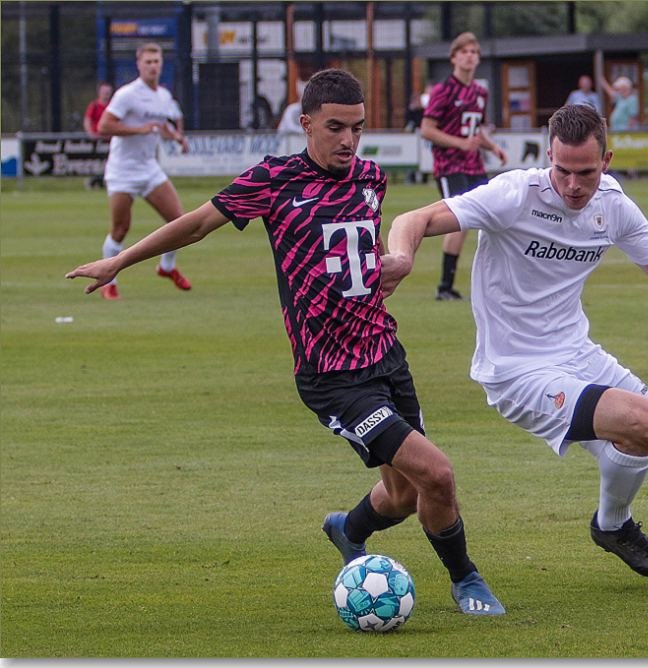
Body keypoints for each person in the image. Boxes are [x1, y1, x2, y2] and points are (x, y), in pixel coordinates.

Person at [66, 68, 506, 617]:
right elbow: (198, 223)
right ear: (306, 125)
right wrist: (120, 260)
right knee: (437, 473)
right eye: (335, 127)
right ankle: (466, 579)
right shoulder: (274, 180)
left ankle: (348, 528)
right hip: (332, 376)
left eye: (358, 128)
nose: (349, 140)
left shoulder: (371, 177)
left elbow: (373, 243)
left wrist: (394, 259)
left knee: (405, 493)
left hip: (386, 354)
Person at [383, 104, 648, 581]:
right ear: (549, 155)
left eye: (584, 172)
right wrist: (400, 257)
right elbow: (413, 218)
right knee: (637, 421)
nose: (571, 185)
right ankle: (612, 524)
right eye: (561, 170)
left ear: (606, 159)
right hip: (516, 370)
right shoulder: (513, 195)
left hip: (578, 355)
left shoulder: (614, 206)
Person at [95, 42, 191, 301]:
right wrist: (139, 129)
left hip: (149, 168)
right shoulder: (127, 94)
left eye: (156, 61)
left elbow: (159, 126)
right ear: (138, 65)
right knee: (120, 229)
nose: (152, 66)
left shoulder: (163, 96)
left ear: (162, 64)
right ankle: (109, 282)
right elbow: (103, 126)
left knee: (180, 222)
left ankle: (166, 268)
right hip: (122, 170)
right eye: (147, 61)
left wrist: (177, 138)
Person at [420, 31, 508, 301]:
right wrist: (459, 143)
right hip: (450, 166)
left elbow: (476, 129)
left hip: (473, 165)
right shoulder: (443, 91)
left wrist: (492, 146)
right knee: (458, 222)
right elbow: (427, 129)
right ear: (454, 57)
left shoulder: (480, 93)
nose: (470, 56)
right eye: (465, 52)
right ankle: (445, 286)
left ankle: (497, 281)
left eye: (474, 52)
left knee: (493, 219)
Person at [83, 81, 113, 190]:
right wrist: (91, 133)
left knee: (109, 162)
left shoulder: (113, 106)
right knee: (99, 162)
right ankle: (94, 181)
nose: (106, 94)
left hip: (110, 140)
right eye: (104, 92)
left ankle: (103, 182)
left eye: (108, 92)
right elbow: (87, 120)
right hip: (98, 140)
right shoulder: (94, 106)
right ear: (99, 92)